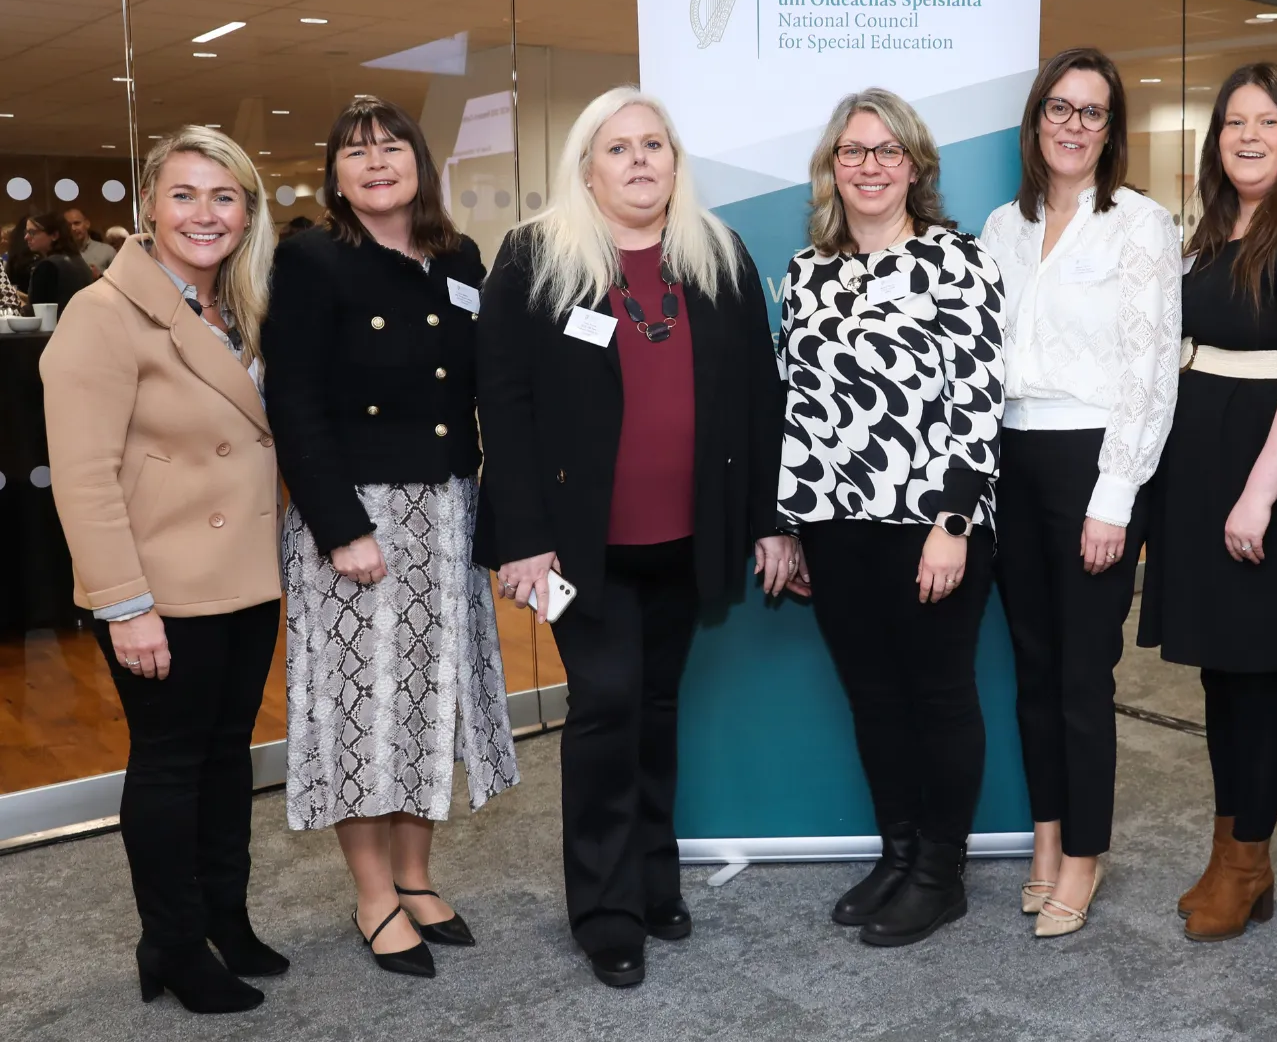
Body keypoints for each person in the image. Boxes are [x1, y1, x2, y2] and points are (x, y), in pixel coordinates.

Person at [475, 86, 792, 989]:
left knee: (655, 707)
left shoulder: (717, 255)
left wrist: (767, 522)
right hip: (578, 551)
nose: (640, 160)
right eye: (619, 148)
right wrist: (523, 539)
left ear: (674, 161)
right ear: (588, 166)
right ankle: (605, 908)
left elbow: (758, 401)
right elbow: (507, 404)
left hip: (690, 539)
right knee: (608, 705)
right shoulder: (536, 258)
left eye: (655, 144)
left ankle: (653, 878)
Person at [262, 97, 519, 980]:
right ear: (335, 174)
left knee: (428, 701)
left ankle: (416, 877)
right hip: (358, 520)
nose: (376, 164)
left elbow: (490, 380)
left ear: (421, 162)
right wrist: (340, 528)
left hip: (449, 509)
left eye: (391, 148)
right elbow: (291, 403)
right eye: (355, 152)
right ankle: (372, 893)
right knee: (359, 711)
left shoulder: (459, 257)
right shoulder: (310, 261)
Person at [41, 127, 284, 1014]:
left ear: (248, 212)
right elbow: (83, 478)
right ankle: (174, 946)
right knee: (172, 765)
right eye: (184, 194)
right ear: (148, 206)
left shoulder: (241, 306)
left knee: (228, 759)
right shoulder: (102, 315)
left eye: (224, 197)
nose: (204, 214)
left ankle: (227, 919)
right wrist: (124, 604)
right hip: (161, 589)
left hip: (245, 577)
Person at [1137, 62, 1277, 943]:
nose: (1248, 136)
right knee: (1221, 675)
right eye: (1233, 122)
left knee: (1258, 676)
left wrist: (1258, 495)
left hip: (1275, 471)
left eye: (1266, 120)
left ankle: (1247, 863)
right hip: (1204, 459)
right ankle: (1232, 855)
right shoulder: (1218, 225)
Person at [777, 87, 1005, 948]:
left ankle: (940, 872)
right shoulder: (808, 271)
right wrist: (793, 523)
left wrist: (953, 523)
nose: (868, 167)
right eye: (852, 151)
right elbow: (797, 403)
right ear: (831, 168)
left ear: (915, 166)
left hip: (930, 525)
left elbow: (979, 400)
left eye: (886, 151)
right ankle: (899, 850)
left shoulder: (957, 260)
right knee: (873, 698)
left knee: (938, 697)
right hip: (835, 524)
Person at [978, 48, 1180, 939]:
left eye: (1091, 112)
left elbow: (1151, 370)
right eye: (1059, 108)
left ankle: (1087, 853)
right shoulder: (1000, 227)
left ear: (1111, 130)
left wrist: (1115, 497)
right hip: (1007, 462)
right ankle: (1047, 838)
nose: (1072, 124)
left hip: (1092, 460)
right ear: (1036, 121)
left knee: (1081, 677)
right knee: (1031, 669)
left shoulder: (1140, 223)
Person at [17, 212, 94, 314]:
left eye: (32, 232)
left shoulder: (48, 266)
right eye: (26, 232)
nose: (26, 237)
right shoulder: (79, 261)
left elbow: (38, 312)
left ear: (54, 235)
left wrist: (17, 305)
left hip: (57, 328)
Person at [68, 205, 119, 275]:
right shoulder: (61, 255)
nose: (73, 228)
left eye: (77, 223)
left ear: (87, 224)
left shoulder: (107, 251)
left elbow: (119, 279)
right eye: (68, 225)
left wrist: (99, 275)